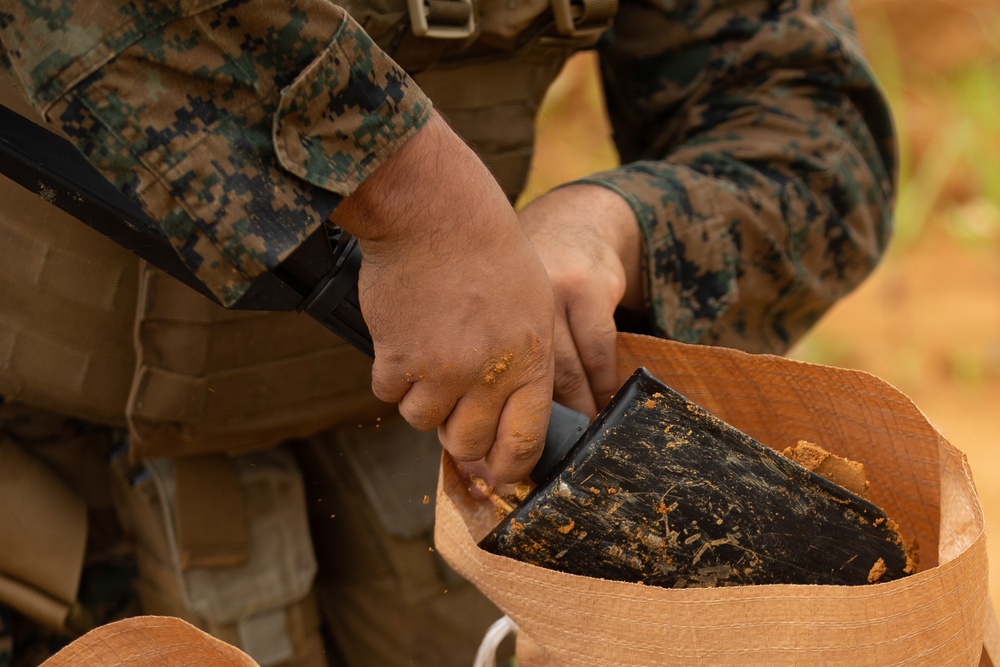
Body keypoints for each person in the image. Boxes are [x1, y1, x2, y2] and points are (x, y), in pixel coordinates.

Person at [0, 0, 896, 664]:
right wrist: (413, 197)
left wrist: (611, 221)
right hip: (39, 496)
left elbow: (814, 129)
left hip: (417, 492)